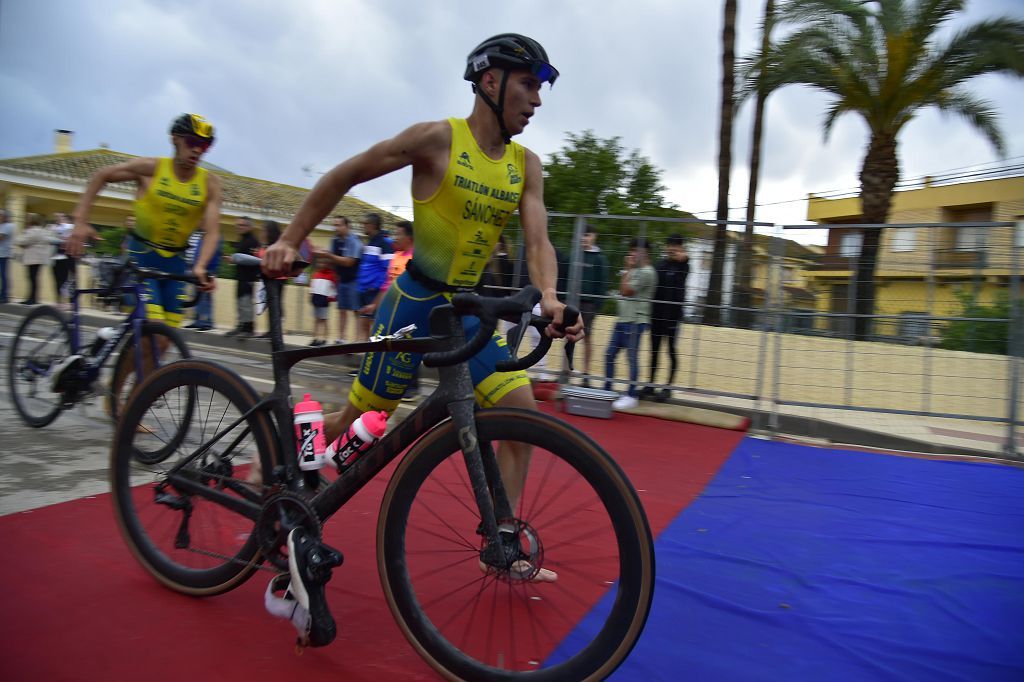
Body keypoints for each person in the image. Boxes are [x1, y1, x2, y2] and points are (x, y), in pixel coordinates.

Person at [262, 34, 581, 637]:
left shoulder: (525, 165)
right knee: (360, 426)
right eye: (529, 85)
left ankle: (503, 538)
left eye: (540, 89)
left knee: (520, 412)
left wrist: (549, 297)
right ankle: (275, 475)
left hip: (466, 310)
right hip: (412, 304)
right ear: (490, 82)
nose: (537, 100)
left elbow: (539, 242)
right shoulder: (439, 140)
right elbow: (347, 173)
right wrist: (290, 240)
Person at [66, 113, 221, 325]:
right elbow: (101, 175)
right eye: (192, 142)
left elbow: (212, 232)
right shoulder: (151, 168)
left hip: (175, 265)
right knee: (152, 331)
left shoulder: (210, 183)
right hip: (140, 261)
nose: (197, 150)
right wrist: (80, 221)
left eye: (204, 146)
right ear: (175, 138)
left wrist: (200, 266)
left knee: (166, 339)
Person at [604, 238, 657, 411]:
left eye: (636, 251)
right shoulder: (635, 270)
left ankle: (631, 395)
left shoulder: (647, 272)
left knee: (631, 359)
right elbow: (622, 290)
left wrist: (627, 268)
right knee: (609, 355)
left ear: (645, 253)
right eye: (632, 250)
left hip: (635, 321)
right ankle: (607, 390)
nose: (632, 254)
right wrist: (628, 271)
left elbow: (626, 291)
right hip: (622, 319)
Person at [641, 234, 689, 402]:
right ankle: (651, 384)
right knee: (654, 351)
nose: (672, 248)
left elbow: (685, 263)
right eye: (670, 245)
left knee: (671, 350)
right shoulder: (660, 265)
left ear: (681, 247)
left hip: (674, 316)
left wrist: (684, 258)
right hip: (657, 315)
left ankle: (668, 387)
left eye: (676, 245)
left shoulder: (684, 266)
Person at [317, 215, 361, 344]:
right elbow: (331, 260)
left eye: (338, 225)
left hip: (354, 279)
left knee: (356, 310)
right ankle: (341, 337)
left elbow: (349, 262)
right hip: (341, 279)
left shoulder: (354, 241)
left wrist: (328, 255)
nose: (336, 228)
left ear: (347, 226)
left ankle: (358, 339)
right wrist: (321, 254)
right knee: (342, 309)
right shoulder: (334, 240)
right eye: (334, 225)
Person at [578, 224, 609, 387]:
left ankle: (586, 373)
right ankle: (565, 371)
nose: (584, 238)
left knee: (586, 337)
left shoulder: (599, 258)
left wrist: (597, 305)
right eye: (582, 235)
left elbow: (602, 284)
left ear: (594, 236)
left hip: (589, 305)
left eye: (587, 235)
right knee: (567, 337)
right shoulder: (575, 255)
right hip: (572, 302)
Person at [354, 212, 392, 341]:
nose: (363, 226)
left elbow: (387, 268)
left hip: (374, 291)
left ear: (373, 225)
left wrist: (375, 286)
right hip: (363, 289)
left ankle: (373, 352)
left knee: (374, 324)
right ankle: (364, 350)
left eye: (365, 224)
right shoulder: (369, 242)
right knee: (364, 322)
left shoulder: (385, 243)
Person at [227, 216, 261, 337]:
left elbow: (254, 260)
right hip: (240, 276)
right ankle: (241, 325)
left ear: (249, 226)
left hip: (248, 277)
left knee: (246, 302)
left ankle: (249, 328)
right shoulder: (242, 240)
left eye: (242, 225)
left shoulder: (252, 241)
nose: (239, 228)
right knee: (240, 301)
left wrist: (236, 258)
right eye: (238, 225)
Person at [184, 226, 222, 331]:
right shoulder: (198, 235)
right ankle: (197, 321)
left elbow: (215, 255)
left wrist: (212, 272)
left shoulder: (213, 237)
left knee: (205, 297)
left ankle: (207, 322)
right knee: (195, 296)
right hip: (194, 269)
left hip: (206, 270)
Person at [15, 213, 56, 304]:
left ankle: (31, 299)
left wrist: (22, 242)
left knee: (32, 279)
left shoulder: (33, 231)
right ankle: (34, 298)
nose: (27, 220)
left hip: (33, 258)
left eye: (29, 218)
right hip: (38, 259)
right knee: (34, 279)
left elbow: (22, 241)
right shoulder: (42, 230)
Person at [308, 253, 337, 346]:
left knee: (324, 320)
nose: (321, 265)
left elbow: (333, 288)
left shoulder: (331, 275)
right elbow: (312, 286)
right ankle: (315, 338)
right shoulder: (315, 274)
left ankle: (325, 338)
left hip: (324, 299)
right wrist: (311, 294)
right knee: (316, 319)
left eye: (324, 263)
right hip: (316, 298)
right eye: (320, 263)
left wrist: (331, 297)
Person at [50, 212, 76, 308]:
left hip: (70, 256)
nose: (59, 219)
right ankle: (59, 301)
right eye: (57, 217)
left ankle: (71, 302)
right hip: (58, 256)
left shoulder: (70, 227)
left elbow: (67, 229)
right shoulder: (54, 228)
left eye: (62, 217)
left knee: (70, 279)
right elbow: (49, 238)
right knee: (58, 280)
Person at [0, 209, 13, 304]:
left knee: (3, 275)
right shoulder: (2, 225)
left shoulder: (8, 226)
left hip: (3, 254)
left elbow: (1, 238)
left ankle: (5, 296)